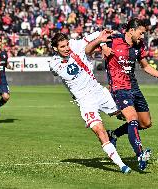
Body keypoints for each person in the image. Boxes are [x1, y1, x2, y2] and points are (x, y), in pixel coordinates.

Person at [100, 18, 158, 170]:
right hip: (119, 88)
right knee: (132, 118)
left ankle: (114, 135)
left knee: (146, 123)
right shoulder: (113, 39)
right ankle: (140, 154)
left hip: (134, 88)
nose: (143, 36)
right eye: (141, 33)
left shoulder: (139, 45)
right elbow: (92, 43)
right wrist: (102, 45)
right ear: (131, 30)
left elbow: (146, 66)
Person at [49, 31, 131, 174]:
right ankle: (121, 165)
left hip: (98, 91)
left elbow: (91, 38)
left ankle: (116, 133)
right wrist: (95, 43)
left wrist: (101, 37)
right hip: (85, 100)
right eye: (62, 47)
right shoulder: (54, 64)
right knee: (99, 130)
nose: (66, 48)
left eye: (67, 44)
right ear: (55, 49)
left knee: (128, 114)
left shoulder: (74, 45)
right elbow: (66, 70)